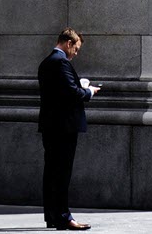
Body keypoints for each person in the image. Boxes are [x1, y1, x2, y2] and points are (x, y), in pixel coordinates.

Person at [37, 28, 100, 230]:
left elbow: (59, 92)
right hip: (63, 127)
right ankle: (64, 217)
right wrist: (88, 91)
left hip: (50, 125)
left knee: (51, 172)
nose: (76, 53)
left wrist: (78, 87)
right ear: (68, 43)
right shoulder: (61, 62)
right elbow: (72, 93)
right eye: (76, 48)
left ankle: (52, 216)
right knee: (62, 173)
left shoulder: (46, 62)